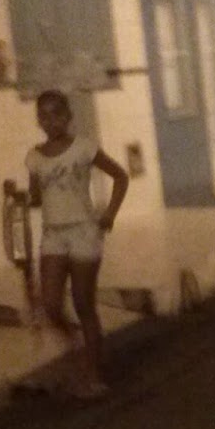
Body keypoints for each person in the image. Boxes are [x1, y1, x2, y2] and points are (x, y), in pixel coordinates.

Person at [25, 88, 129, 399]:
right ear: (38, 120)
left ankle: (93, 376)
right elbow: (36, 198)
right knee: (51, 305)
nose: (50, 121)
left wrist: (109, 213)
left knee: (84, 304)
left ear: (68, 116)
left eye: (56, 114)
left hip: (84, 232)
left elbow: (120, 176)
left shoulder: (84, 147)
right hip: (53, 235)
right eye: (44, 115)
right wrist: (19, 197)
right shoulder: (34, 158)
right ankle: (77, 341)